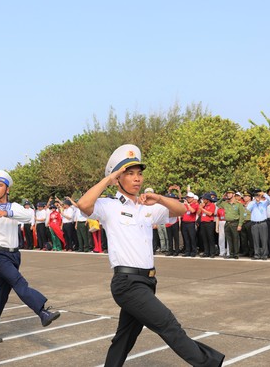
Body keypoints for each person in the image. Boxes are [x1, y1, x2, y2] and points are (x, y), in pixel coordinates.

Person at [76, 144, 224, 367]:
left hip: (147, 281)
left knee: (124, 338)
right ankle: (209, 363)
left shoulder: (148, 206)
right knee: (168, 324)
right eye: (130, 174)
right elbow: (83, 204)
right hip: (127, 283)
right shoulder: (109, 206)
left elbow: (181, 211)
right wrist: (109, 179)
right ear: (118, 178)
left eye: (139, 173)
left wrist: (160, 198)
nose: (137, 179)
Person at [0, 169, 60, 344]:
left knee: (2, 294)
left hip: (15, 255)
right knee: (19, 283)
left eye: (0, 185)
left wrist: (8, 213)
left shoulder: (14, 207)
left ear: (7, 189)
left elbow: (29, 216)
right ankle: (42, 311)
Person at [217, 189, 245, 259]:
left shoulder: (238, 204)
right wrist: (222, 198)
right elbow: (217, 204)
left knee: (235, 239)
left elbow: (242, 215)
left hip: (235, 222)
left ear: (233, 195)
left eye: (230, 193)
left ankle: (236, 254)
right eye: (227, 194)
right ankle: (231, 253)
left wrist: (240, 225)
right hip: (227, 223)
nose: (228, 195)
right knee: (229, 239)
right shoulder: (225, 203)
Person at [247, 189, 270, 260]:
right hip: (254, 223)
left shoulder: (264, 203)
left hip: (262, 223)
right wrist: (255, 202)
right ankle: (256, 254)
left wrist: (264, 194)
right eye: (256, 195)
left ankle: (264, 254)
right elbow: (248, 209)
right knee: (255, 240)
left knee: (264, 239)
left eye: (258, 195)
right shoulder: (252, 203)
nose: (257, 196)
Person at [197, 193, 217, 258]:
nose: (203, 200)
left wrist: (202, 209)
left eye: (204, 199)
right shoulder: (203, 205)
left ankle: (212, 252)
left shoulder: (212, 205)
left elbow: (210, 213)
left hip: (209, 223)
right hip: (203, 223)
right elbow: (198, 213)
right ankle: (206, 252)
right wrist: (200, 208)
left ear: (208, 199)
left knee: (210, 238)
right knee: (204, 238)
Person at [181, 192, 199, 257]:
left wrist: (188, 205)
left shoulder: (195, 204)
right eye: (187, 197)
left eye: (189, 197)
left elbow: (192, 211)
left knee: (192, 237)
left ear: (192, 198)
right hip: (184, 222)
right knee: (186, 238)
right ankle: (187, 251)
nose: (187, 199)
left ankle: (194, 251)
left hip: (191, 223)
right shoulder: (185, 204)